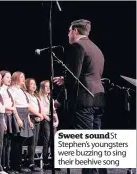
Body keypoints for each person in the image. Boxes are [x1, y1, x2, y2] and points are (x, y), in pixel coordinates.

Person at [54, 19, 106, 174]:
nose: (68, 33)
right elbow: (90, 74)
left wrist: (59, 100)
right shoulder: (96, 48)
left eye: (69, 30)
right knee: (95, 142)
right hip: (98, 97)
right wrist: (66, 79)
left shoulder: (78, 46)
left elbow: (73, 78)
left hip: (84, 99)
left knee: (86, 143)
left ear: (75, 31)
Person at [7, 71, 33, 173]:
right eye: (21, 77)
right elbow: (14, 105)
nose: (23, 79)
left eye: (24, 77)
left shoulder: (21, 91)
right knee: (16, 142)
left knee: (21, 142)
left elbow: (26, 106)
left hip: (25, 115)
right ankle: (14, 166)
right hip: (18, 114)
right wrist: (17, 118)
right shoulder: (12, 90)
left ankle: (18, 165)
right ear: (16, 78)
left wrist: (29, 120)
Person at [38, 80, 59, 170]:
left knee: (54, 141)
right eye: (46, 86)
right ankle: (46, 162)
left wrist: (57, 121)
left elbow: (54, 111)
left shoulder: (50, 97)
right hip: (46, 119)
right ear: (42, 88)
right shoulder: (40, 97)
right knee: (46, 140)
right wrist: (49, 119)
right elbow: (41, 111)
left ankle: (54, 162)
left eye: (49, 86)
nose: (48, 88)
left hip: (52, 119)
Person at [24, 78, 43, 172]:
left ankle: (30, 161)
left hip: (37, 119)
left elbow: (40, 108)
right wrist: (37, 115)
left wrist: (40, 116)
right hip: (31, 118)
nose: (34, 85)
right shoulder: (26, 95)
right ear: (27, 85)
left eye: (35, 84)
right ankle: (30, 162)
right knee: (31, 141)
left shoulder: (35, 96)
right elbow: (28, 108)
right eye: (31, 84)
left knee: (35, 141)